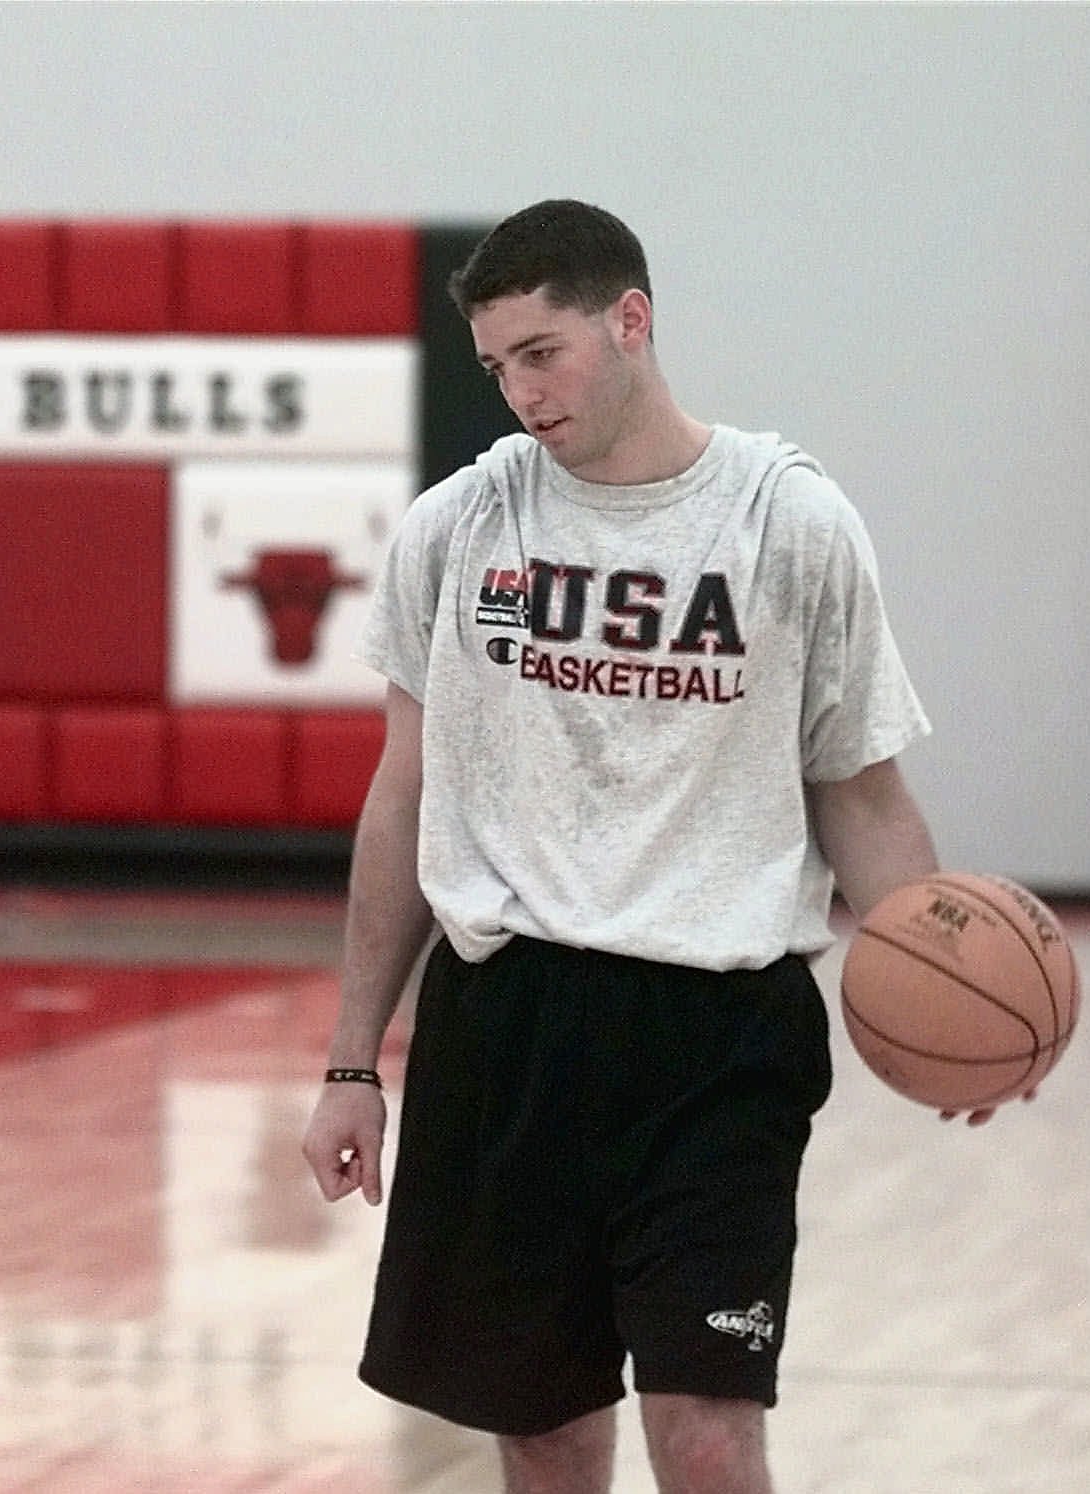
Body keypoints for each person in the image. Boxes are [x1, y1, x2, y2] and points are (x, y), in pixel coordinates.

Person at [300, 199, 984, 1494]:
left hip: (716, 1038)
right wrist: (350, 1060)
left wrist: (933, 985)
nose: (520, 395)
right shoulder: (457, 528)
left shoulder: (790, 524)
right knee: (544, 1436)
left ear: (632, 320)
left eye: (542, 353)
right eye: (496, 366)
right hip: (507, 1021)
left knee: (710, 1430)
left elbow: (864, 794)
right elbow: (403, 795)